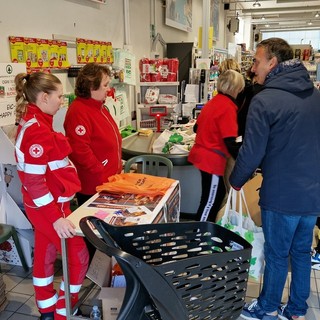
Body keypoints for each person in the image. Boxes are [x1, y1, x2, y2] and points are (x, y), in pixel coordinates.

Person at [229, 38, 320, 320]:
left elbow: (252, 150)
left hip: (281, 195)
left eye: (256, 61)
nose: (253, 68)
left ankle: (268, 306)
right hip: (312, 193)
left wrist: (236, 179)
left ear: (273, 63)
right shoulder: (315, 95)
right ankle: (296, 310)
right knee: (302, 253)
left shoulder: (265, 100)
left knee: (277, 254)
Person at [14, 72, 89, 320]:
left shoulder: (37, 123)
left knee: (46, 255)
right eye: (59, 96)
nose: (62, 100)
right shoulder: (37, 131)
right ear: (45, 97)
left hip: (51, 207)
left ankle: (46, 308)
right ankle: (63, 311)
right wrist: (56, 218)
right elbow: (35, 183)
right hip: (50, 209)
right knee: (78, 257)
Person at [63, 63, 122, 261]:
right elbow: (79, 150)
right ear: (91, 87)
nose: (108, 88)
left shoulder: (100, 107)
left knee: (105, 229)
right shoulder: (79, 111)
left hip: (108, 180)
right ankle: (94, 270)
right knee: (94, 233)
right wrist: (100, 170)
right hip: (94, 184)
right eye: (105, 85)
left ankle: (106, 266)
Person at [188, 69, 244, 222]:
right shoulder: (228, 107)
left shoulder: (213, 102)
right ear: (234, 88)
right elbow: (230, 142)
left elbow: (196, 128)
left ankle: (204, 232)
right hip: (212, 160)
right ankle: (201, 235)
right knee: (211, 200)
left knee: (212, 196)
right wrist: (246, 160)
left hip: (201, 155)